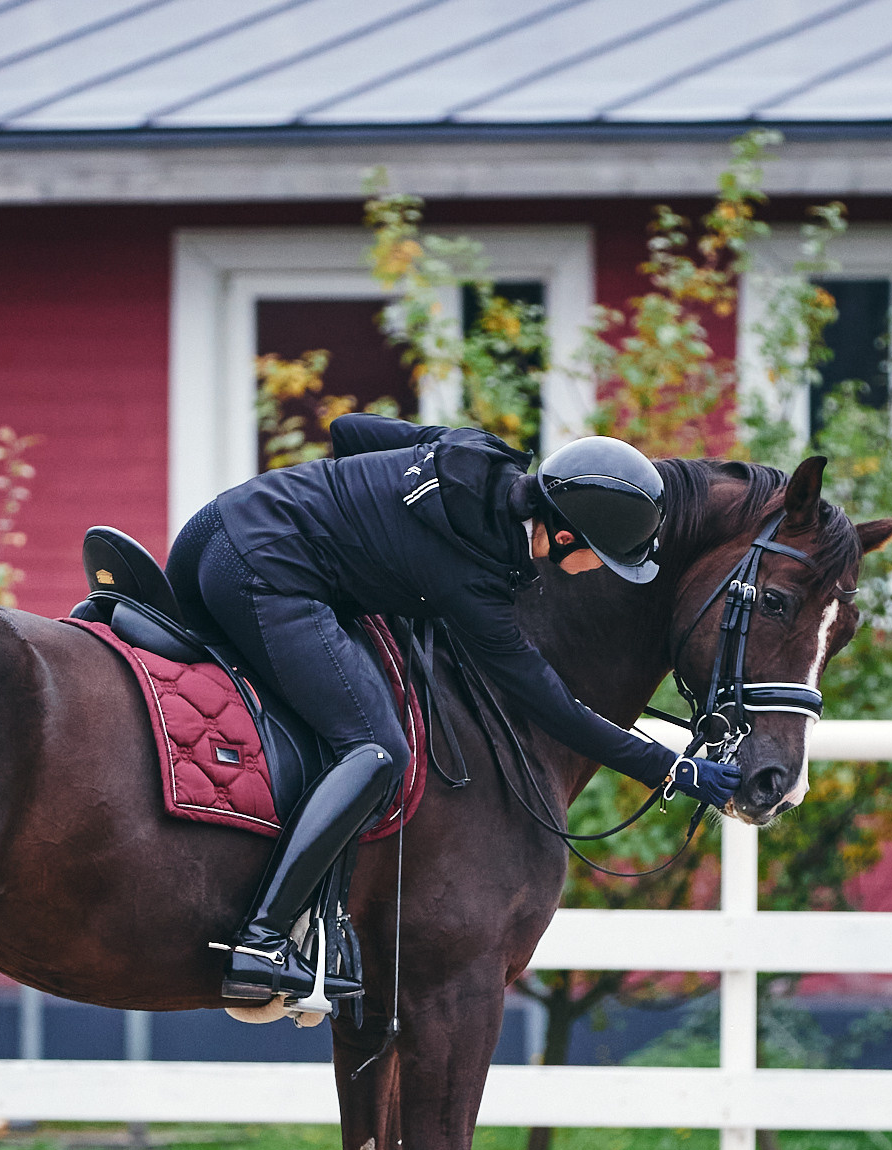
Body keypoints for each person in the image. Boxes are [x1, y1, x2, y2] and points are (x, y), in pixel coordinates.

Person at [166, 413, 729, 1006]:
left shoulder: (475, 451)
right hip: (265, 572)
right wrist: (667, 768)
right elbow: (553, 707)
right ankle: (263, 939)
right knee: (377, 751)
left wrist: (366, 521)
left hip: (211, 529)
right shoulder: (474, 584)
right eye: (604, 561)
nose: (600, 575)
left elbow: (348, 430)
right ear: (565, 538)